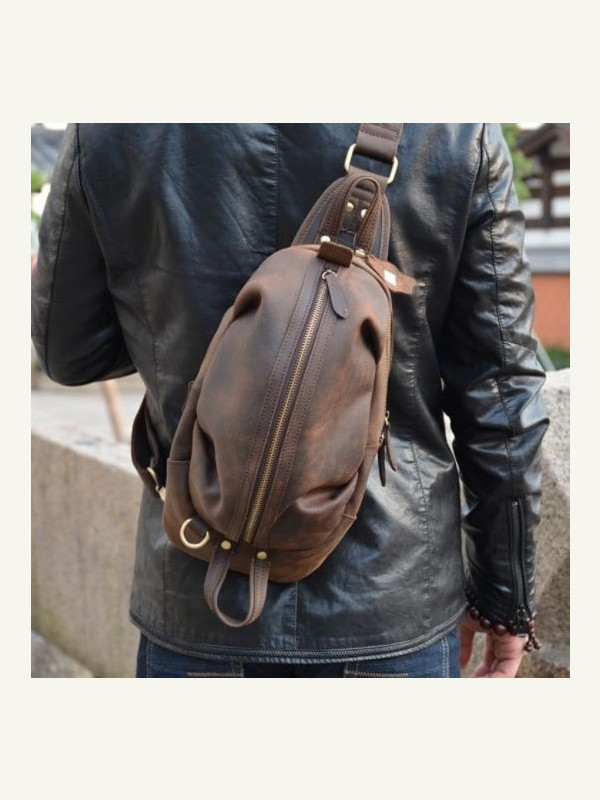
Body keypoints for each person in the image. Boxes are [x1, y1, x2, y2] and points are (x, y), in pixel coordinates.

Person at [31, 123, 549, 678]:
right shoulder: (456, 128)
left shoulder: (109, 128)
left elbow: (70, 353)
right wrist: (504, 600)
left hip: (197, 584)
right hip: (389, 601)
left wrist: (172, 335)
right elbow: (501, 395)